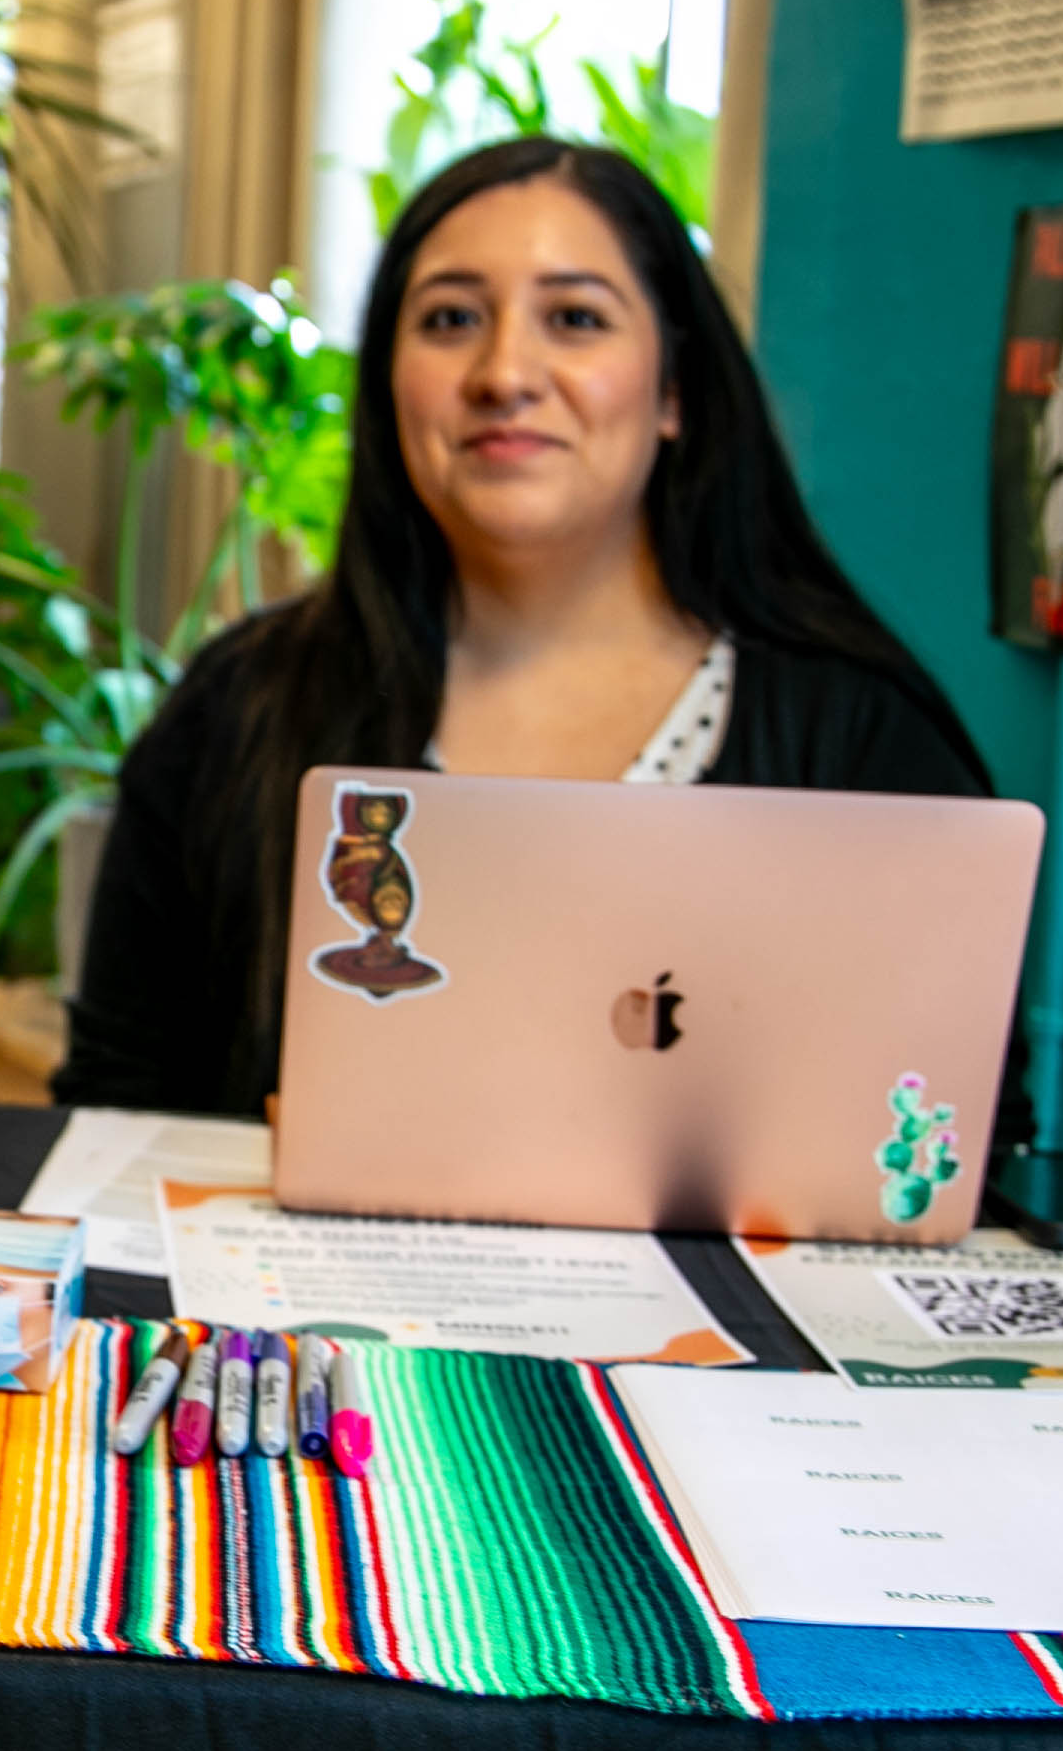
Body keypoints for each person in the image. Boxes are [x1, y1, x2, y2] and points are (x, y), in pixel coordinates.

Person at [61, 136, 994, 1119]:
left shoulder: (861, 738)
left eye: (576, 318)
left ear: (675, 388)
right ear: (388, 381)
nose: (504, 370)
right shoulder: (234, 714)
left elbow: (957, 1136)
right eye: (451, 318)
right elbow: (114, 1106)